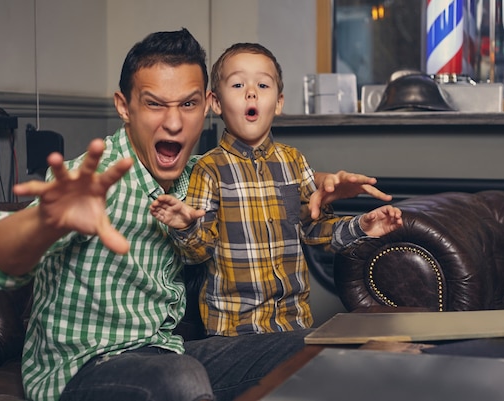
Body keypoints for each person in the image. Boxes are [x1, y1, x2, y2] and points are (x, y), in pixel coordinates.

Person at [0, 29, 396, 401]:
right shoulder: (94, 178)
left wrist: (321, 181)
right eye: (155, 104)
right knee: (178, 377)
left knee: (324, 346)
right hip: (86, 368)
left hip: (168, 352)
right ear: (124, 106)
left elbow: (253, 175)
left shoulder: (199, 172)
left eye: (188, 104)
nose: (173, 123)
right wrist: (46, 219)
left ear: (207, 104)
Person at [150, 42, 403, 336]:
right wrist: (185, 227)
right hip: (234, 332)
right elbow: (197, 253)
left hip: (293, 323)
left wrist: (362, 226)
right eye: (237, 84)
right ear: (216, 103)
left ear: (279, 103)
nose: (251, 92)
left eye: (262, 84)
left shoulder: (293, 161)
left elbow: (315, 232)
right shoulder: (210, 170)